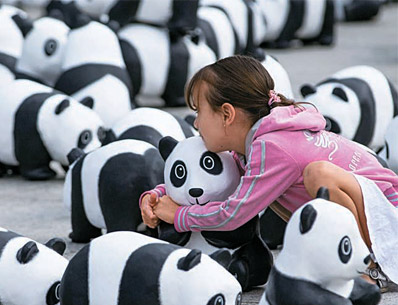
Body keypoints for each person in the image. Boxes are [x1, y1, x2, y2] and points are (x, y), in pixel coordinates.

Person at [140, 55, 398, 290]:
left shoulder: (272, 146)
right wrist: (160, 195)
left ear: (227, 114)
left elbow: (233, 214)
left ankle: (369, 269)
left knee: (319, 175)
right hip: (378, 213)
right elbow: (215, 181)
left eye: (199, 112)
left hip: (388, 218)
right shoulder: (256, 143)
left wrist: (180, 215)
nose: (195, 123)